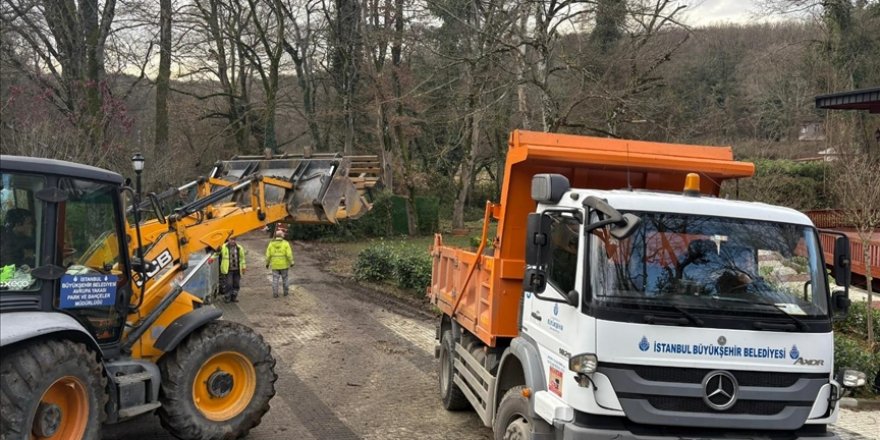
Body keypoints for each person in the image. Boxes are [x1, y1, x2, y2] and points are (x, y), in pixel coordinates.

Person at [265, 229, 293, 298]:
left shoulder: (271, 244)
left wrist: (267, 263)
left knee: (275, 280)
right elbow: (289, 254)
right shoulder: (286, 243)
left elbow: (268, 255)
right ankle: (285, 293)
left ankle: (275, 294)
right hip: (284, 265)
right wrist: (291, 262)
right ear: (281, 236)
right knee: (285, 279)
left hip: (275, 265)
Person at [220, 237, 246, 302]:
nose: (232, 241)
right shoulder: (223, 247)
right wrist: (211, 259)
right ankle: (227, 297)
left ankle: (234, 297)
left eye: (234, 240)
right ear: (228, 240)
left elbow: (242, 258)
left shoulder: (239, 248)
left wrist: (243, 267)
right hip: (228, 269)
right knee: (229, 283)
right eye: (231, 239)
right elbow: (217, 253)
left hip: (237, 269)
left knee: (236, 284)